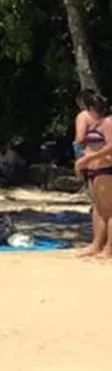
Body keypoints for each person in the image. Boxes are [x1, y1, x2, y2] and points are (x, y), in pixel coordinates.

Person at [75, 92, 112, 257]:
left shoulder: (108, 123)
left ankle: (109, 247)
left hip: (105, 168)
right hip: (92, 169)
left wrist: (91, 157)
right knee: (97, 208)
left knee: (109, 209)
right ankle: (96, 243)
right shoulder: (94, 125)